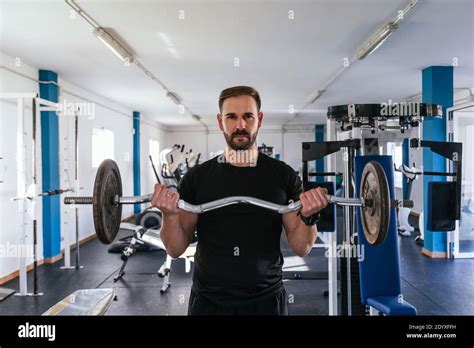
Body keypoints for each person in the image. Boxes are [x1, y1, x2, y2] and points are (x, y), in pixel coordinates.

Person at [151, 86, 328, 315]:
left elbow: (302, 247)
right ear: (220, 121)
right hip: (208, 302)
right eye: (231, 117)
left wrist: (310, 216)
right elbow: (175, 249)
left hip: (266, 300)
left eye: (248, 116)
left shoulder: (283, 176)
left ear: (259, 119)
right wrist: (169, 215)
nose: (240, 125)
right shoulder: (197, 178)